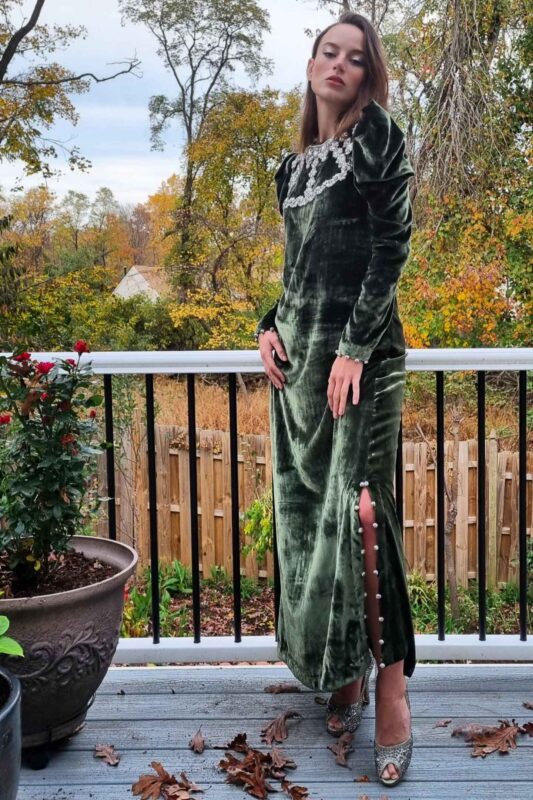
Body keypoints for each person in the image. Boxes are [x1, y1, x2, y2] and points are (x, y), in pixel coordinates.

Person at [254, 11, 417, 788]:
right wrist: (266, 326)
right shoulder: (291, 167)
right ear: (312, 62)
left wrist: (353, 347)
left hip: (362, 359)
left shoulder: (376, 135)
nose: (339, 65)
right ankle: (341, 672)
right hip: (300, 371)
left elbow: (390, 248)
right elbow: (299, 268)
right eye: (329, 51)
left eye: (355, 58)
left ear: (367, 74)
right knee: (313, 528)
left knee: (363, 513)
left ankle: (391, 691)